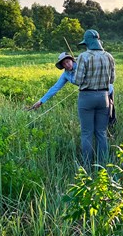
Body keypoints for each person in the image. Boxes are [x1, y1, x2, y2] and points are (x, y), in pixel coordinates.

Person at [74, 29, 115, 166]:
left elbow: (78, 80)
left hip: (86, 97)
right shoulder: (109, 56)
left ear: (87, 43)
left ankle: (86, 165)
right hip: (104, 97)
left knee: (86, 133)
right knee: (101, 132)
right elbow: (112, 80)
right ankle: (103, 164)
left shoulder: (83, 56)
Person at [30, 52, 115, 114]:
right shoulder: (66, 74)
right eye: (64, 64)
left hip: (105, 89)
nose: (67, 65)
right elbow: (55, 88)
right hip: (89, 95)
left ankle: (112, 131)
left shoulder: (81, 64)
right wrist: (41, 101)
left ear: (72, 60)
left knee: (109, 114)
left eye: (67, 61)